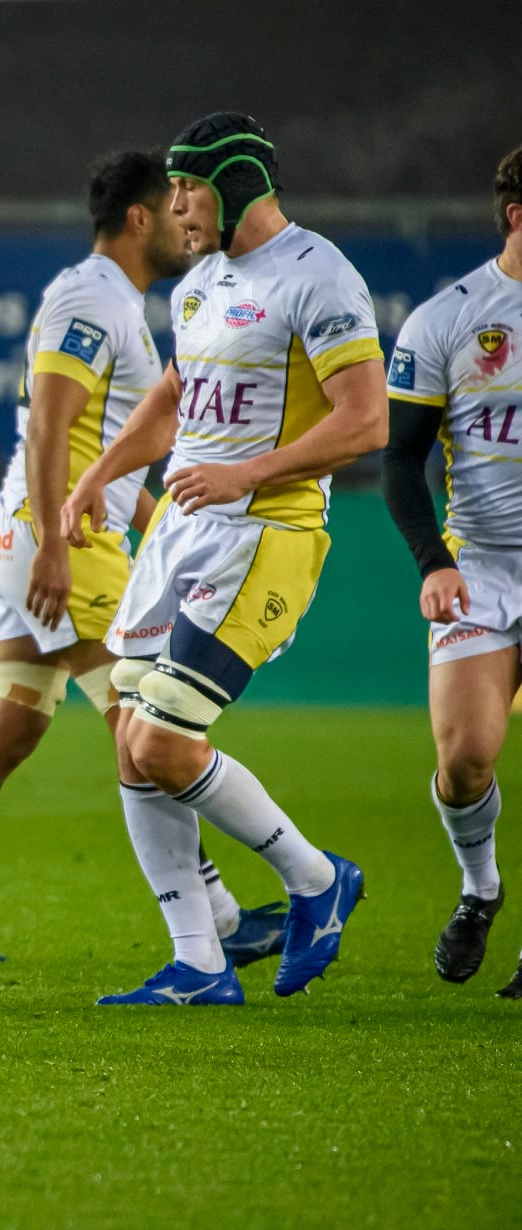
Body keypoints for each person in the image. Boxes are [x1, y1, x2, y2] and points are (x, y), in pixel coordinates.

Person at [0, 151, 287, 967]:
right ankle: (225, 922)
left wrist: (157, 522)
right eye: (171, 210)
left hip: (37, 539)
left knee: (9, 729)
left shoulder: (116, 302)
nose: (184, 221)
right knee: (147, 725)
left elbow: (102, 451)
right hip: (54, 545)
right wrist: (57, 549)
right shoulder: (91, 296)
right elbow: (51, 423)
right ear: (139, 218)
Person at [60, 113, 386, 1005]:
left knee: (163, 737)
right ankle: (200, 964)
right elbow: (174, 390)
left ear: (237, 184)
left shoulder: (319, 276)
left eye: (189, 188)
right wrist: (100, 473)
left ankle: (317, 881)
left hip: (267, 529)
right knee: (131, 742)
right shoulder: (199, 282)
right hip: (185, 529)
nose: (174, 208)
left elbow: (366, 420)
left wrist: (246, 471)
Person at [382, 143, 522, 999]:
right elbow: (400, 461)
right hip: (482, 569)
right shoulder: (451, 317)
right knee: (467, 756)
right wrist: (433, 561)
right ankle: (481, 890)